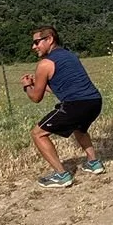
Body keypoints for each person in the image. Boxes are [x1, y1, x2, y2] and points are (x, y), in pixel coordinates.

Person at [20, 26, 104, 188]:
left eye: (36, 42)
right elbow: (62, 89)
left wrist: (27, 86)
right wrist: (39, 83)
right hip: (94, 101)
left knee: (38, 134)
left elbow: (36, 98)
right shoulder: (69, 56)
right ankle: (94, 163)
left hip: (76, 104)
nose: (34, 47)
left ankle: (61, 175)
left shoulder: (45, 64)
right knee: (79, 127)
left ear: (49, 39)